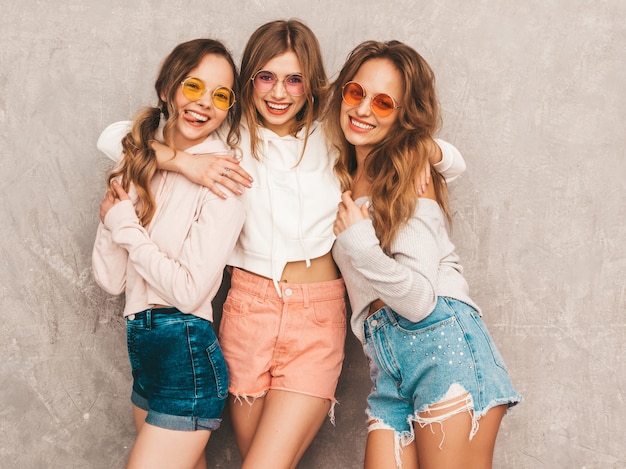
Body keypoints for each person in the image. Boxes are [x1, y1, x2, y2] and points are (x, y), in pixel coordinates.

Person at [97, 20, 466, 469]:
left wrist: (427, 149)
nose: (279, 93)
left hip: (316, 315)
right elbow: (113, 137)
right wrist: (184, 163)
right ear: (249, 81)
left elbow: (453, 160)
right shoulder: (229, 138)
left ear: (310, 86)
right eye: (266, 77)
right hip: (246, 314)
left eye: (294, 79)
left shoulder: (334, 135)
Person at [326, 40, 522, 469]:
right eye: (356, 93)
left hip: (443, 344)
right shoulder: (343, 174)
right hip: (387, 360)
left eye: (383, 102)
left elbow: (418, 301)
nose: (363, 111)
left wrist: (360, 243)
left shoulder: (408, 175)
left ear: (402, 115)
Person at [91, 38, 245, 469]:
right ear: (167, 89)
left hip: (186, 356)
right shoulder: (140, 161)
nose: (204, 104)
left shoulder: (224, 179)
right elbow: (111, 279)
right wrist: (117, 215)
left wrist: (124, 225)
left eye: (220, 95)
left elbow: (188, 288)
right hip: (143, 348)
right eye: (193, 87)